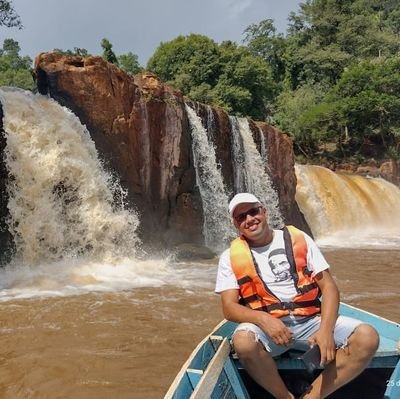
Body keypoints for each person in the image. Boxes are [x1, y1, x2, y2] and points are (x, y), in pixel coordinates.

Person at [215, 193, 379, 399]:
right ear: (235, 223)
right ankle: (285, 397)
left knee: (367, 337)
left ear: (264, 212)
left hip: (311, 321)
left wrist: (326, 330)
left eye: (253, 211)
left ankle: (312, 396)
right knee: (243, 342)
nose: (249, 219)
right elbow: (229, 308)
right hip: (268, 330)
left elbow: (328, 287)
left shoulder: (299, 239)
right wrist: (264, 320)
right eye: (241, 217)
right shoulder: (229, 257)